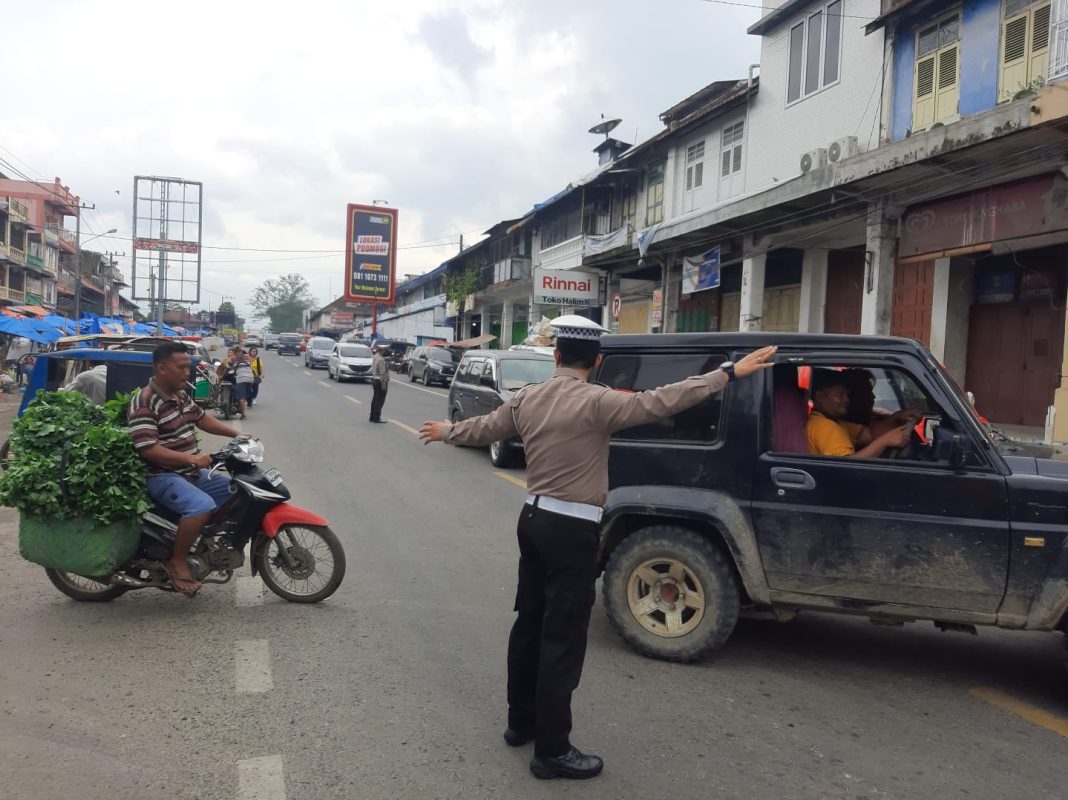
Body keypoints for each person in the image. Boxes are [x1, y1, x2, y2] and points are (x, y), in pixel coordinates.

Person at [420, 315, 776, 780]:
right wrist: (728, 373)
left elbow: (484, 428)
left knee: (529, 622)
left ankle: (519, 722)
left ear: (556, 356)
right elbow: (664, 400)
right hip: (571, 529)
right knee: (562, 636)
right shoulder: (600, 401)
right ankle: (551, 751)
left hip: (532, 518)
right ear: (599, 361)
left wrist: (447, 431)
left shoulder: (528, 397)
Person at [129, 341, 244, 594]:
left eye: (187, 367)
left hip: (188, 473)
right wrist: (192, 459)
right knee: (201, 506)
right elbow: (147, 449)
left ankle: (195, 541)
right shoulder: (145, 401)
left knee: (239, 490)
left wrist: (236, 434)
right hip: (161, 475)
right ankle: (177, 560)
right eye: (181, 367)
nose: (187, 372)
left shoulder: (178, 394)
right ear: (161, 368)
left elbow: (202, 420)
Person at [806, 369, 913, 458]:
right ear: (819, 397)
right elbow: (846, 467)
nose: (847, 399)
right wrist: (885, 441)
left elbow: (870, 434)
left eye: (847, 394)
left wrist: (897, 416)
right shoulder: (824, 427)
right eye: (840, 394)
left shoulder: (835, 422)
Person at [369, 344, 389, 423]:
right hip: (380, 381)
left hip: (375, 379)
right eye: (384, 350)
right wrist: (383, 384)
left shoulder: (375, 356)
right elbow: (382, 373)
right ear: (382, 350)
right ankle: (377, 417)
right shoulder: (381, 359)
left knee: (375, 399)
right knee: (380, 400)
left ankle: (372, 416)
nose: (385, 352)